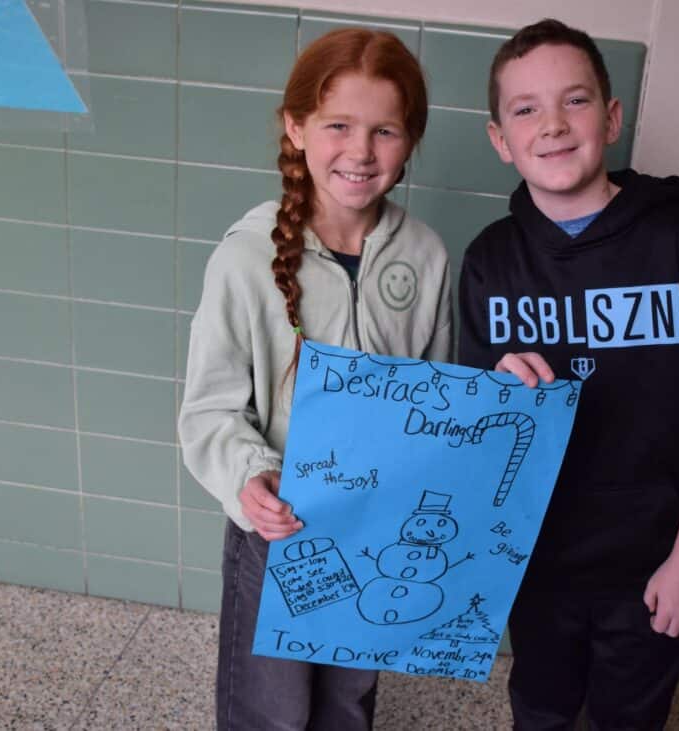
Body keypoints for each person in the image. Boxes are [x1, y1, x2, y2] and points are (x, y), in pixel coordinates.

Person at [457, 18, 679, 730]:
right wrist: (496, 393)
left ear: (611, 118)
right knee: (540, 706)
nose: (553, 125)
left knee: (628, 715)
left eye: (574, 101)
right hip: (536, 561)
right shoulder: (489, 261)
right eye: (526, 109)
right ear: (500, 139)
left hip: (654, 558)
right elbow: (477, 426)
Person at [178, 28, 452, 730]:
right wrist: (251, 477)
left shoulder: (426, 256)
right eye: (338, 126)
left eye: (385, 130)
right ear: (296, 128)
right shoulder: (245, 259)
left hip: (375, 527)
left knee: (348, 698)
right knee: (271, 707)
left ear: (410, 142)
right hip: (280, 532)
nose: (361, 151)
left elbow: (437, 396)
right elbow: (209, 411)